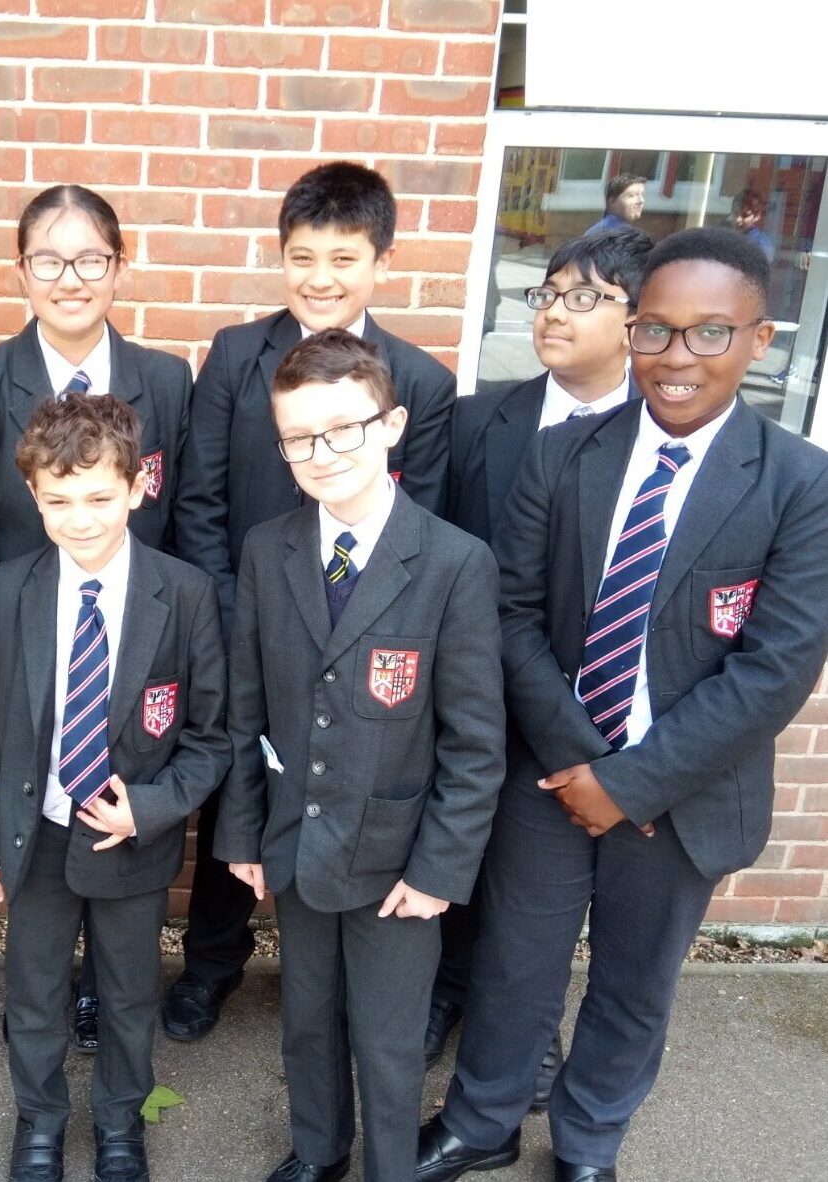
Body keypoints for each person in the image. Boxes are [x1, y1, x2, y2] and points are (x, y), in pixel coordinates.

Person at [418, 227, 828, 1182]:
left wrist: (634, 781)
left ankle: (589, 1140)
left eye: (709, 333)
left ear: (759, 340)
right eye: (656, 330)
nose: (677, 357)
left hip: (686, 787)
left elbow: (775, 668)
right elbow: (510, 613)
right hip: (555, 770)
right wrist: (582, 761)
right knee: (515, 960)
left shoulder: (800, 483)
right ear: (633, 330)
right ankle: (482, 1122)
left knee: (635, 980)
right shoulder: (564, 455)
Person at [169, 160, 457, 1044]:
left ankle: (341, 981)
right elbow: (202, 503)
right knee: (238, 792)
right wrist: (232, 630)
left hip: (363, 641)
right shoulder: (234, 355)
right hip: (248, 629)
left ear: (382, 261)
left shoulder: (420, 381)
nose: (321, 278)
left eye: (343, 257)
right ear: (281, 256)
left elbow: (421, 529)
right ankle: (212, 961)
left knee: (347, 800)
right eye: (303, 256)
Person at [215, 329, 506, 1182]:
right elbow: (244, 709)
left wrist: (441, 868)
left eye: (344, 428)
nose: (323, 453)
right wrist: (242, 834)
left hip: (396, 860)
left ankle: (389, 1167)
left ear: (392, 425)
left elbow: (475, 742)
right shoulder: (267, 549)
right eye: (299, 438)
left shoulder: (454, 563)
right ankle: (318, 1151)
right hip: (297, 841)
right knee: (307, 1018)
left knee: (387, 1037)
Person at [0, 183, 192, 1052]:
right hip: (29, 657)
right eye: (49, 260)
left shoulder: (165, 380)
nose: (70, 278)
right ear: (21, 270)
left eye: (89, 259)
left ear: (119, 266)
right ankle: (43, 993)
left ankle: (101, 994)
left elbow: (187, 526)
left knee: (115, 842)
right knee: (42, 842)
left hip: (132, 650)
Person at [0, 392, 231, 1182]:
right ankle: (39, 1120)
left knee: (130, 993)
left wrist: (151, 805)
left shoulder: (183, 593)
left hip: (130, 841)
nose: (80, 520)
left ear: (139, 487)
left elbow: (211, 736)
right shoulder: (12, 588)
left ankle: (121, 1121)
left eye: (100, 498)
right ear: (33, 494)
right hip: (35, 833)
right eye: (59, 500)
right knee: (34, 992)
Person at [433, 226, 652, 1085]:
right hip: (478, 684)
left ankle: (530, 1020)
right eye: (547, 294)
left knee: (546, 890)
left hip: (588, 711)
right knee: (466, 845)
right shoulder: (478, 420)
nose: (555, 311)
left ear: (638, 320)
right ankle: (448, 989)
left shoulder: (657, 435)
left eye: (583, 297)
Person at [726, 187, 775, 263]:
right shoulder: (726, 234)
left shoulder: (762, 243)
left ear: (757, 216)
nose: (738, 219)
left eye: (745, 215)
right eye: (736, 213)